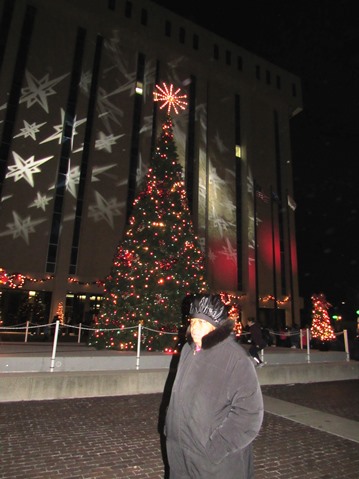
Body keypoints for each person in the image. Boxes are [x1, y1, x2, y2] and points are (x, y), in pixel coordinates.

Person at [165, 294, 264, 479]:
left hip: (214, 464)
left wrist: (216, 447)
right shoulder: (188, 350)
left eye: (202, 323)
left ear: (215, 326)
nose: (194, 328)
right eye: (193, 321)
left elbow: (249, 413)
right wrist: (170, 428)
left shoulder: (235, 358)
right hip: (180, 453)